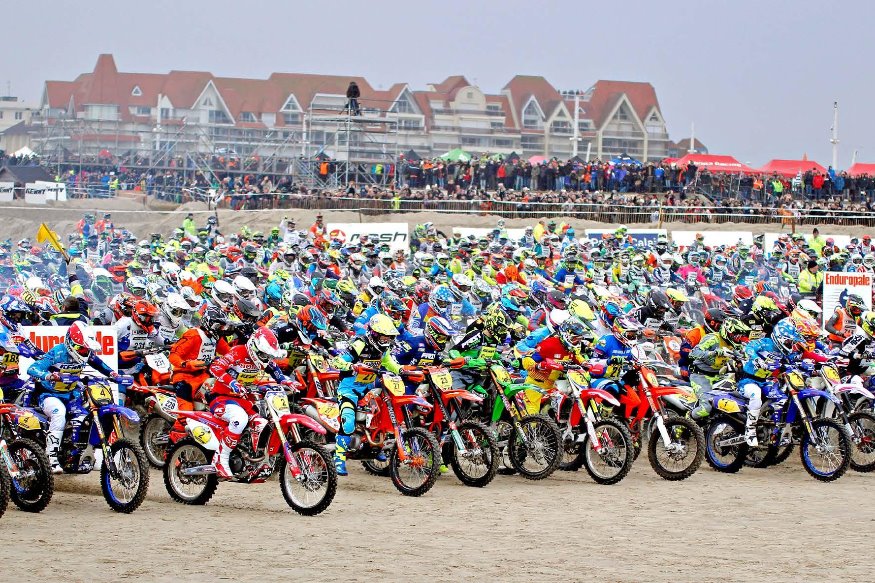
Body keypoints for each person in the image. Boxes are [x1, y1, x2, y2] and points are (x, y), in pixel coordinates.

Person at [27, 322, 129, 473]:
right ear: (70, 343)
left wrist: (115, 375)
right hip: (49, 395)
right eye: (80, 347)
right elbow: (32, 368)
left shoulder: (86, 353)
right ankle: (51, 457)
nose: (83, 351)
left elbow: (102, 366)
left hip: (72, 395)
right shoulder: (57, 352)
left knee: (84, 418)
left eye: (86, 348)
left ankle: (78, 454)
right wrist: (49, 375)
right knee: (59, 414)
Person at [208, 327, 288, 478]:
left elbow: (274, 368)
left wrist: (285, 381)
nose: (266, 358)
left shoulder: (264, 359)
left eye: (268, 355)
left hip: (242, 401)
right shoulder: (238, 352)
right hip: (220, 398)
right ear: (254, 347)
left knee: (261, 423)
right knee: (240, 419)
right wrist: (232, 383)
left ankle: (253, 461)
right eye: (264, 355)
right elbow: (215, 367)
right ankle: (220, 460)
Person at [330, 314, 405, 475]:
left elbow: (388, 363)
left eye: (390, 338)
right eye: (385, 338)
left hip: (367, 389)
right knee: (348, 421)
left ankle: (374, 446)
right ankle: (339, 458)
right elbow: (336, 361)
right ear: (375, 334)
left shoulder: (383, 350)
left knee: (379, 414)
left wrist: (401, 370)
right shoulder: (359, 344)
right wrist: (353, 366)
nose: (387, 341)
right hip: (348, 389)